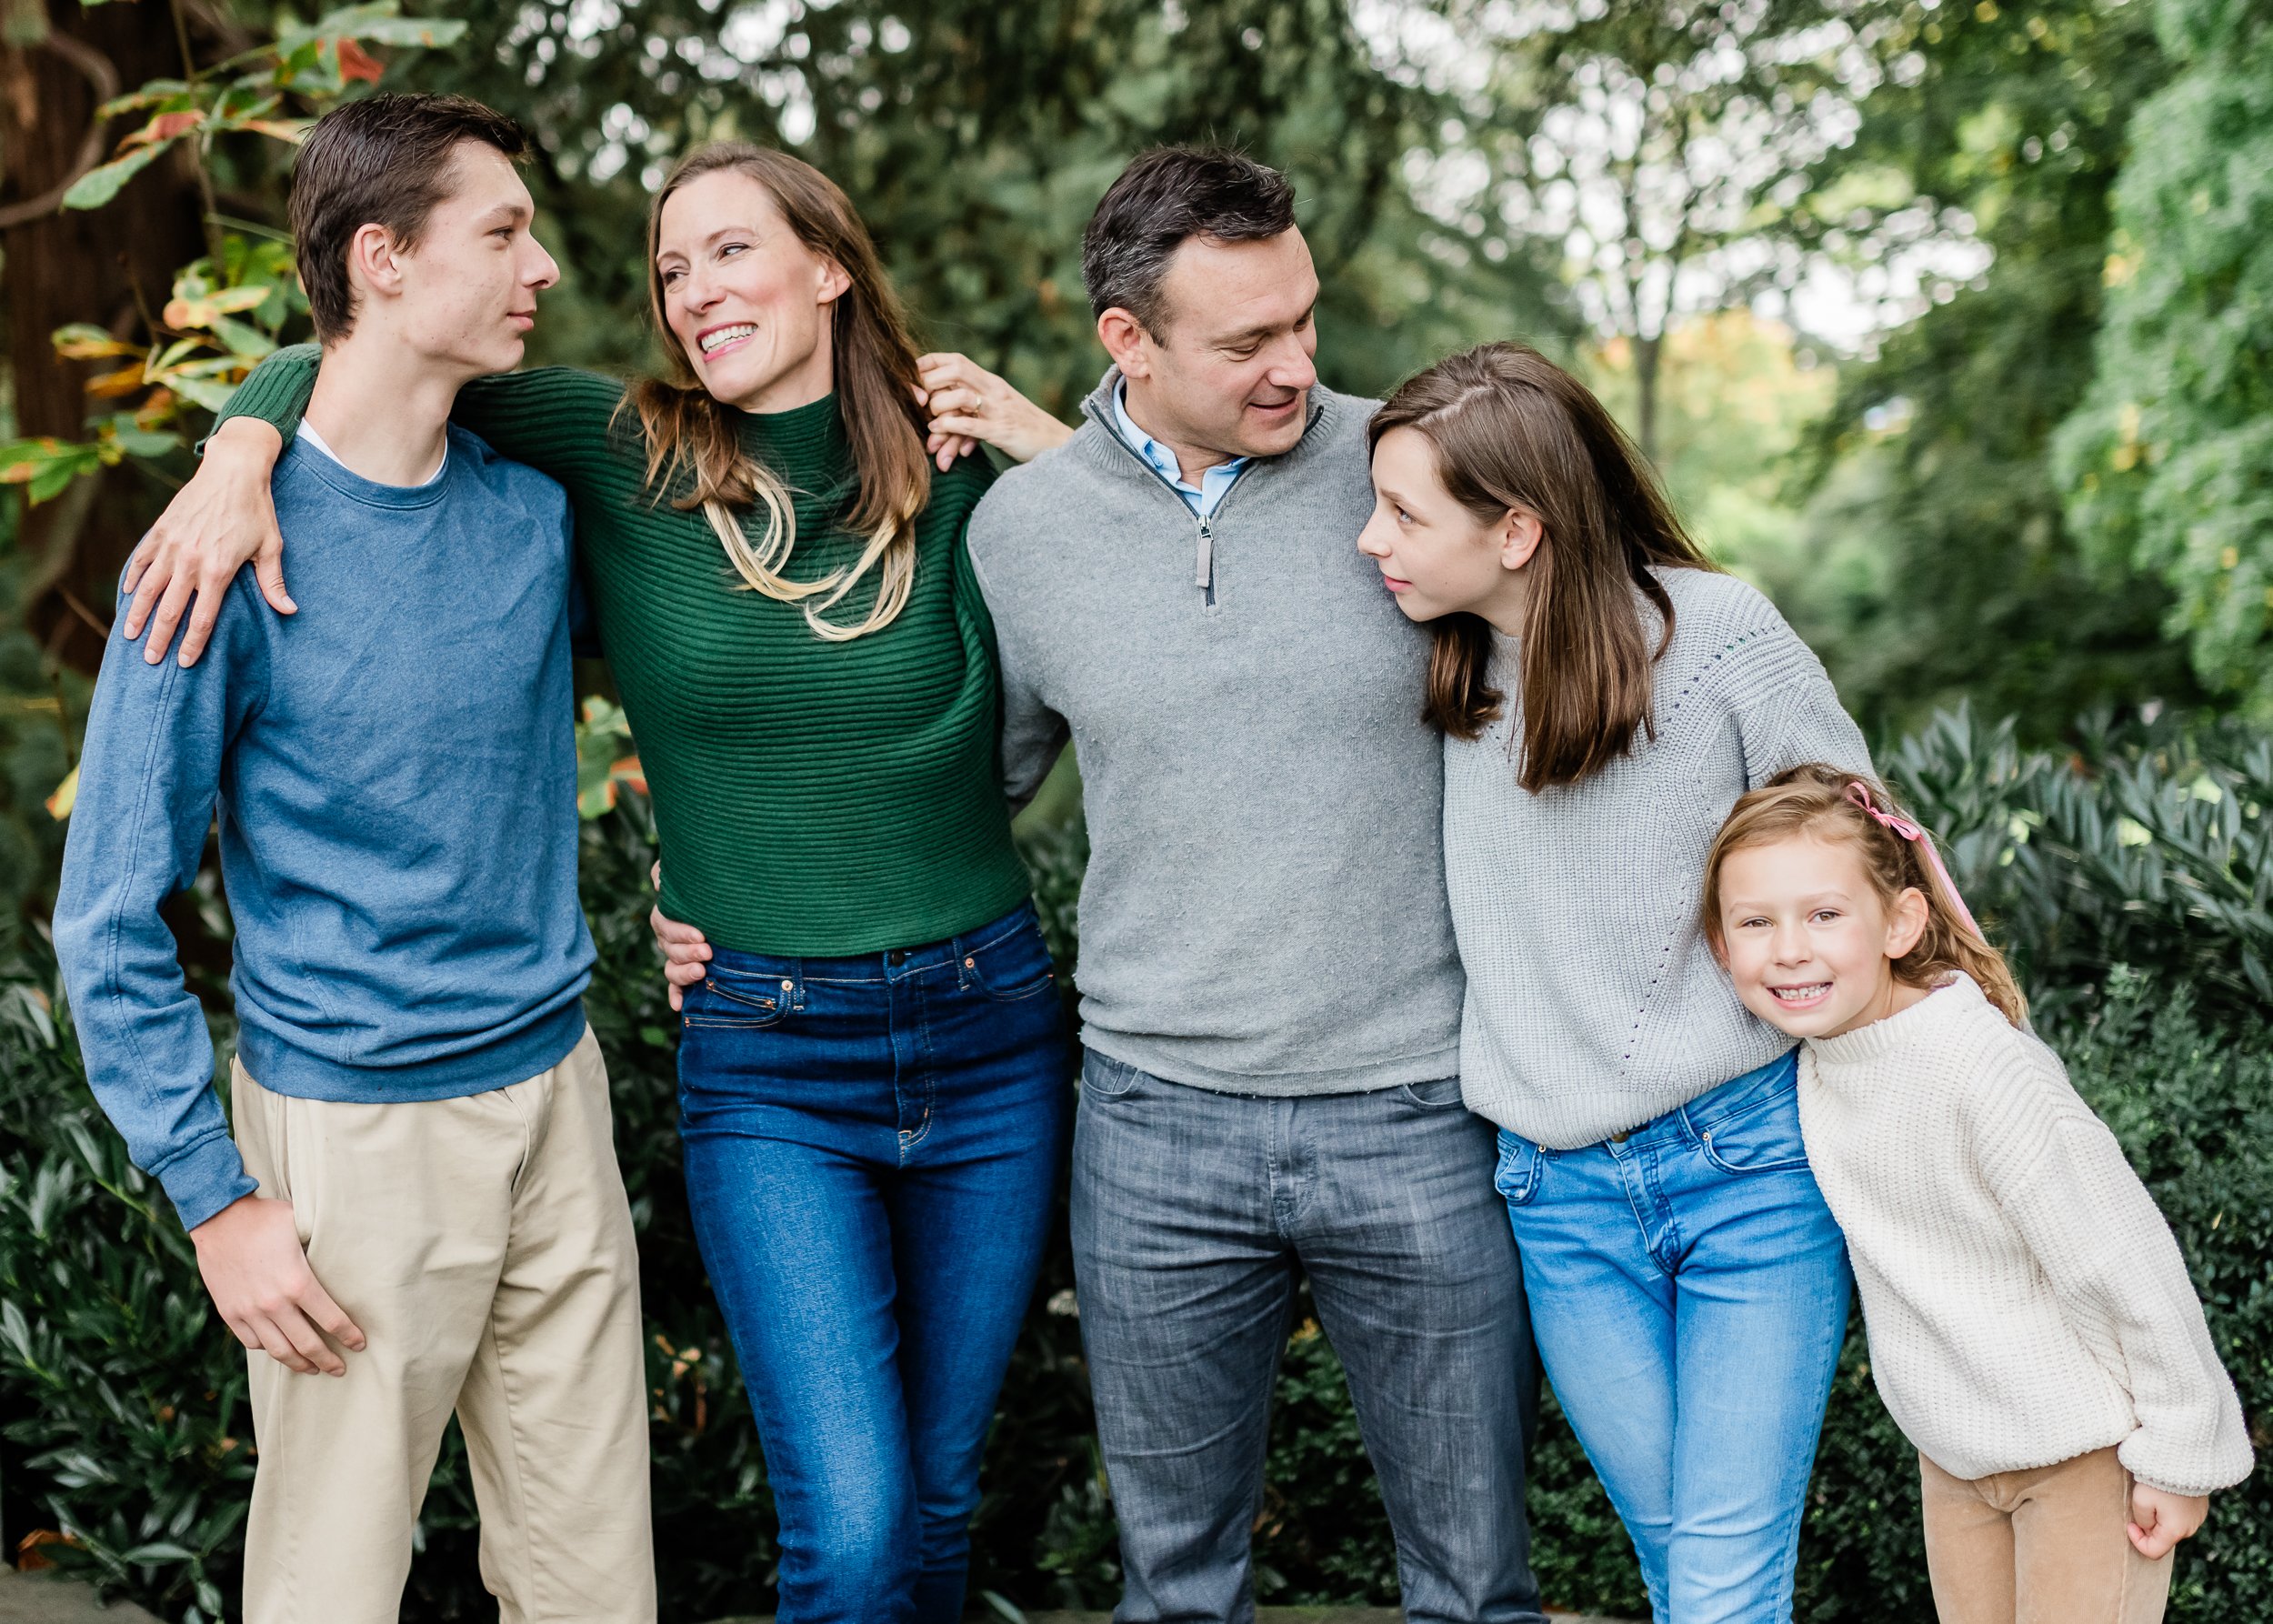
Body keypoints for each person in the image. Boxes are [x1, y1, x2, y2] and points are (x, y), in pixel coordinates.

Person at [119, 141, 1077, 1624]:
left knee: (922, 1513)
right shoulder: (625, 451)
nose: (687, 292)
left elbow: (1172, 617)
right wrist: (234, 449)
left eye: (730, 253)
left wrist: (1053, 445)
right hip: (753, 1055)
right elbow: (363, 369)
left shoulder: (957, 471)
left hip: (981, 1027)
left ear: (831, 264)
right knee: (863, 1526)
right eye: (670, 268)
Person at [680, 145, 1547, 1624]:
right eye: (1248, 342)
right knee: (1175, 1590)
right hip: (1156, 1131)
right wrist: (709, 878)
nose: (1298, 367)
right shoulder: (1023, 535)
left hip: (1410, 1106)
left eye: (1306, 321)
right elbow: (958, 781)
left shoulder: (1404, 477)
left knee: (1475, 1587)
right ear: (1128, 342)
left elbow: (1588, 660)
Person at [53, 95, 652, 1624]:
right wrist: (213, 1197)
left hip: (558, 1109)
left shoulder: (530, 519)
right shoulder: (213, 557)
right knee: (327, 1593)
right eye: (501, 233)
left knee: (598, 1589)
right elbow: (109, 912)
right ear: (382, 258)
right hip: (351, 1140)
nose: (541, 271)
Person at [1356, 340, 1874, 1623]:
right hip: (1557, 1194)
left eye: (1405, 512)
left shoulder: (1716, 636)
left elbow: (1869, 849)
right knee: (1681, 1565)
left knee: (1717, 1585)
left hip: (1749, 1169)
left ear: (1518, 528)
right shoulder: (1450, 661)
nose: (1372, 538)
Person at [1704, 765, 2253, 1624]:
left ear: (1901, 921)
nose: (1789, 949)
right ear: (1720, 945)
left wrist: (2181, 1458)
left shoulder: (1979, 1068)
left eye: (1823, 914)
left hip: (2084, 1456)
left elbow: (2124, 1259)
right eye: (1755, 923)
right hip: (1954, 1462)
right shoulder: (1820, 1065)